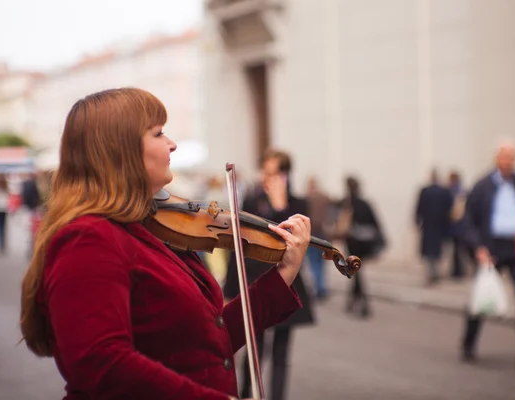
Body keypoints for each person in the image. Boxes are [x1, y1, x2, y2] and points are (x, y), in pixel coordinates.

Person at [19, 88, 311, 400]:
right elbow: (101, 363)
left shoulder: (149, 226)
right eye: (159, 133)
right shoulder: (87, 239)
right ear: (120, 150)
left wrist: (284, 274)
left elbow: (208, 340)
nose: (172, 143)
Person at [223, 149, 315, 400]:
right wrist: (230, 289)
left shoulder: (298, 205)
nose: (266, 177)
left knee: (281, 356)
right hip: (255, 284)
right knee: (253, 352)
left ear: (286, 176)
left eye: (273, 173)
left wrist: (279, 206)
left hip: (286, 285)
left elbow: (289, 244)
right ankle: (246, 394)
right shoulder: (251, 202)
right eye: (265, 172)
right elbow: (238, 248)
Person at [460, 140, 515, 368]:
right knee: (481, 297)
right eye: (504, 157)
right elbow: (468, 222)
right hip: (490, 249)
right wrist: (478, 248)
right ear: (497, 158)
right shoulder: (482, 186)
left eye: (512, 157)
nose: (508, 162)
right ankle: (468, 343)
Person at [336, 176, 385, 317]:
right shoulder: (365, 203)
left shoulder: (346, 204)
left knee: (356, 272)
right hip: (364, 244)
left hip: (352, 243)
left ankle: (362, 304)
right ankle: (353, 302)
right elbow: (376, 223)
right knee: (356, 272)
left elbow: (339, 223)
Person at [415, 169, 453, 284]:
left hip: (429, 225)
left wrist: (417, 221)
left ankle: (432, 272)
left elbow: (419, 207)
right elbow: (449, 208)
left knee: (429, 250)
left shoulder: (425, 191)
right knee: (437, 249)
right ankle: (435, 272)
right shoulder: (444, 192)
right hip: (440, 225)